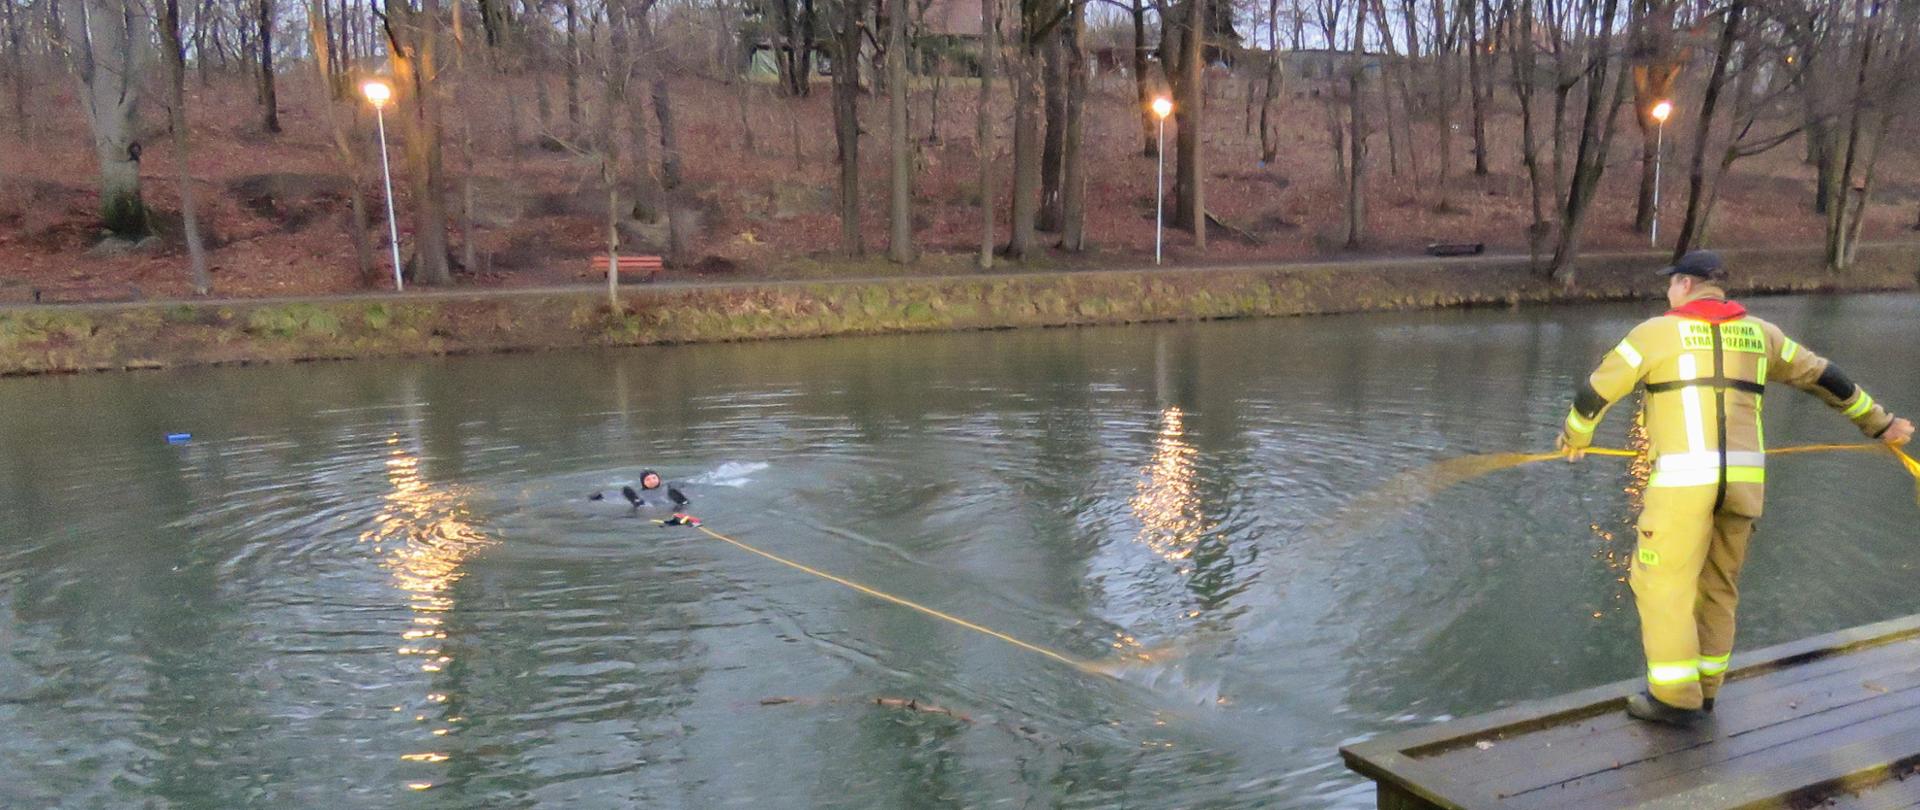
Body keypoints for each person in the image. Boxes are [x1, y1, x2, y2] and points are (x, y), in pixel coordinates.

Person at [1556, 250, 1913, 726]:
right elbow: (1827, 377)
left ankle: (1673, 699)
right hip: (1744, 486)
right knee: (1719, 587)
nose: (1668, 292)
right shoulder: (1763, 336)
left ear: (1684, 285)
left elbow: (1596, 391)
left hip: (1684, 487)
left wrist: (1576, 437)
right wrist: (1881, 424)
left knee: (1661, 586)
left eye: (1671, 284)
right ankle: (1706, 692)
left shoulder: (1654, 334)